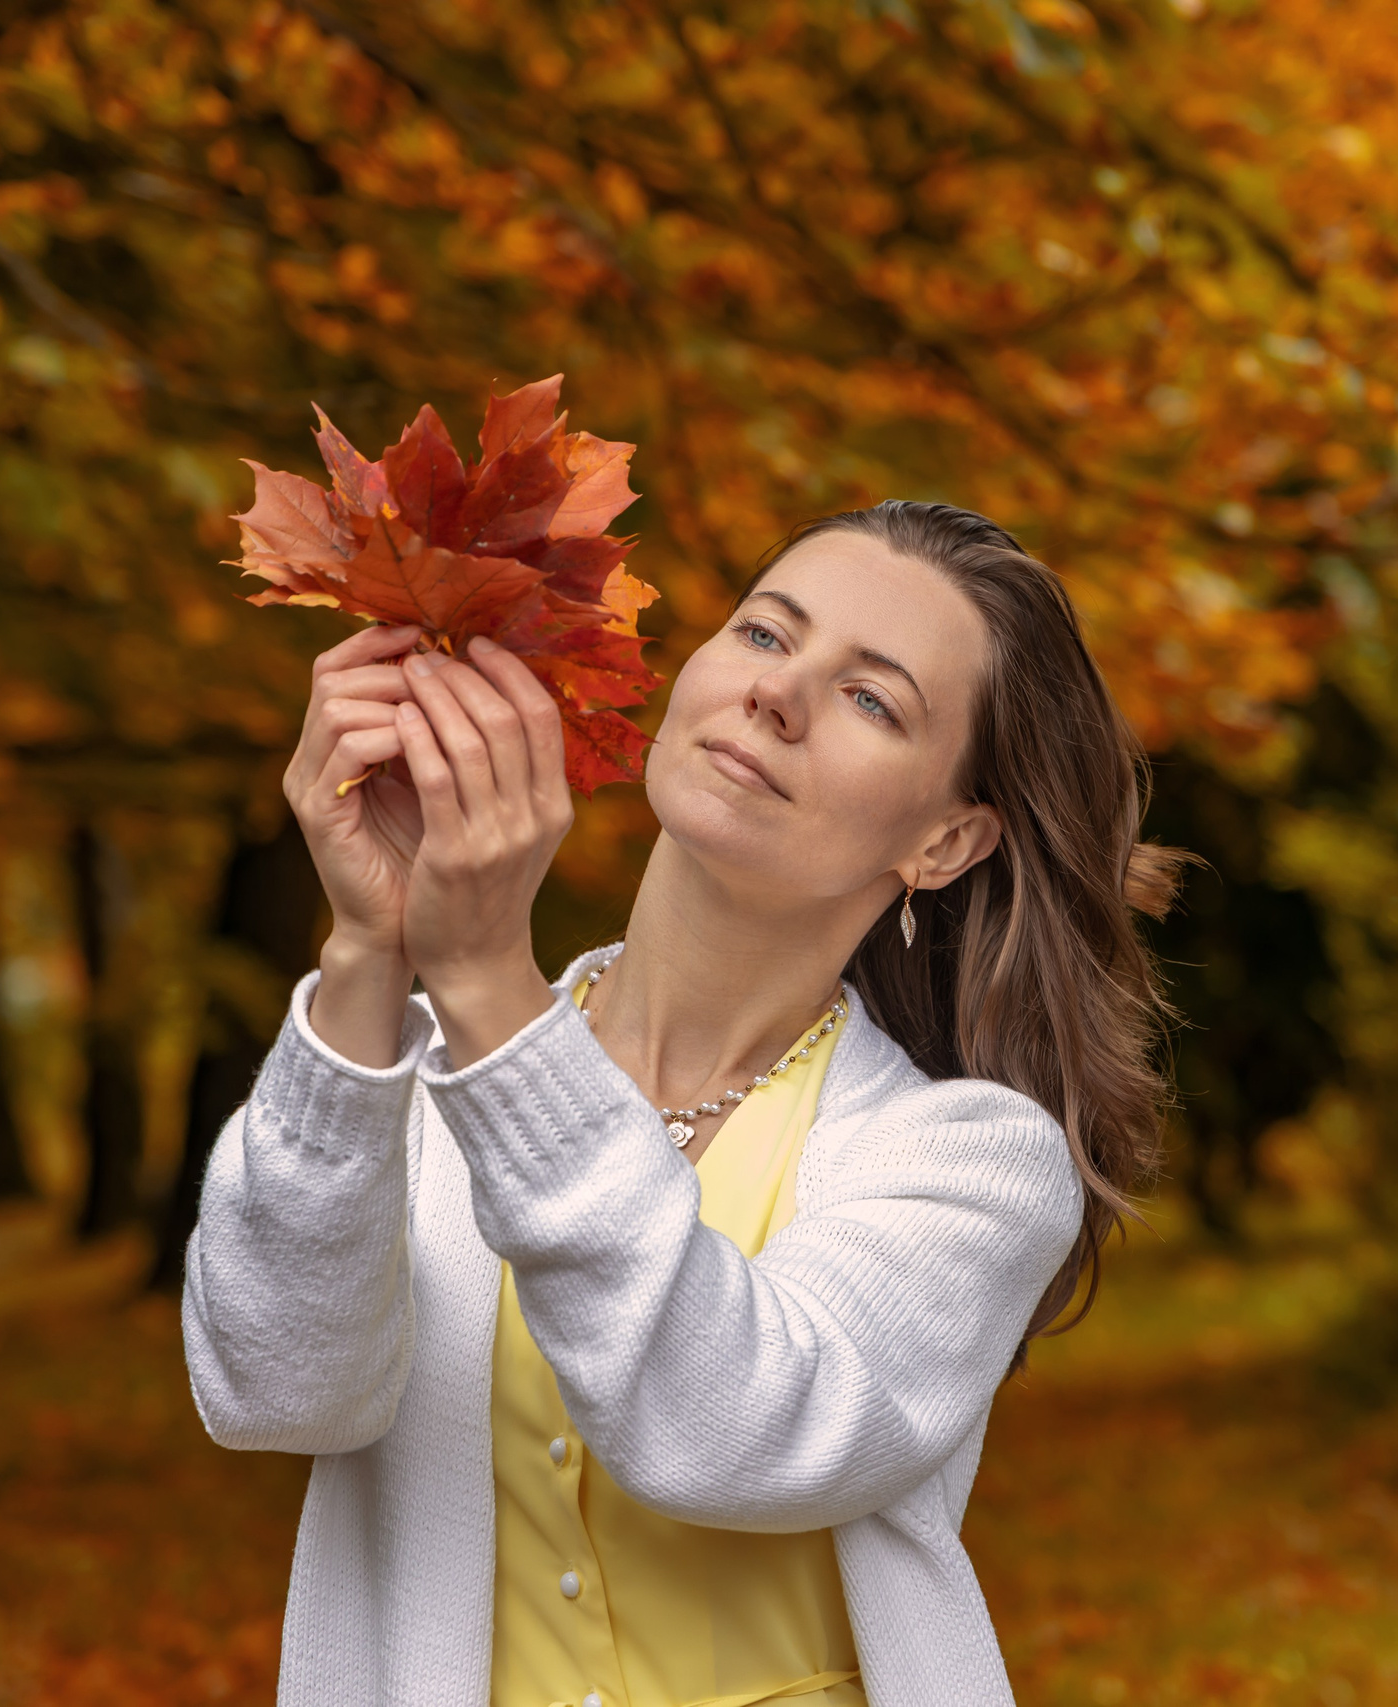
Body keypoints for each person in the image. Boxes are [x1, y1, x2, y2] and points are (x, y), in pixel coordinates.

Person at [183, 500, 1183, 1707]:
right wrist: (367, 951)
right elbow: (271, 1392)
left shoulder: (971, 1161)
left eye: (872, 699)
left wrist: (489, 980)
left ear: (947, 840)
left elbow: (732, 1428)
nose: (778, 695)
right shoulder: (416, 1082)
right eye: (765, 635)